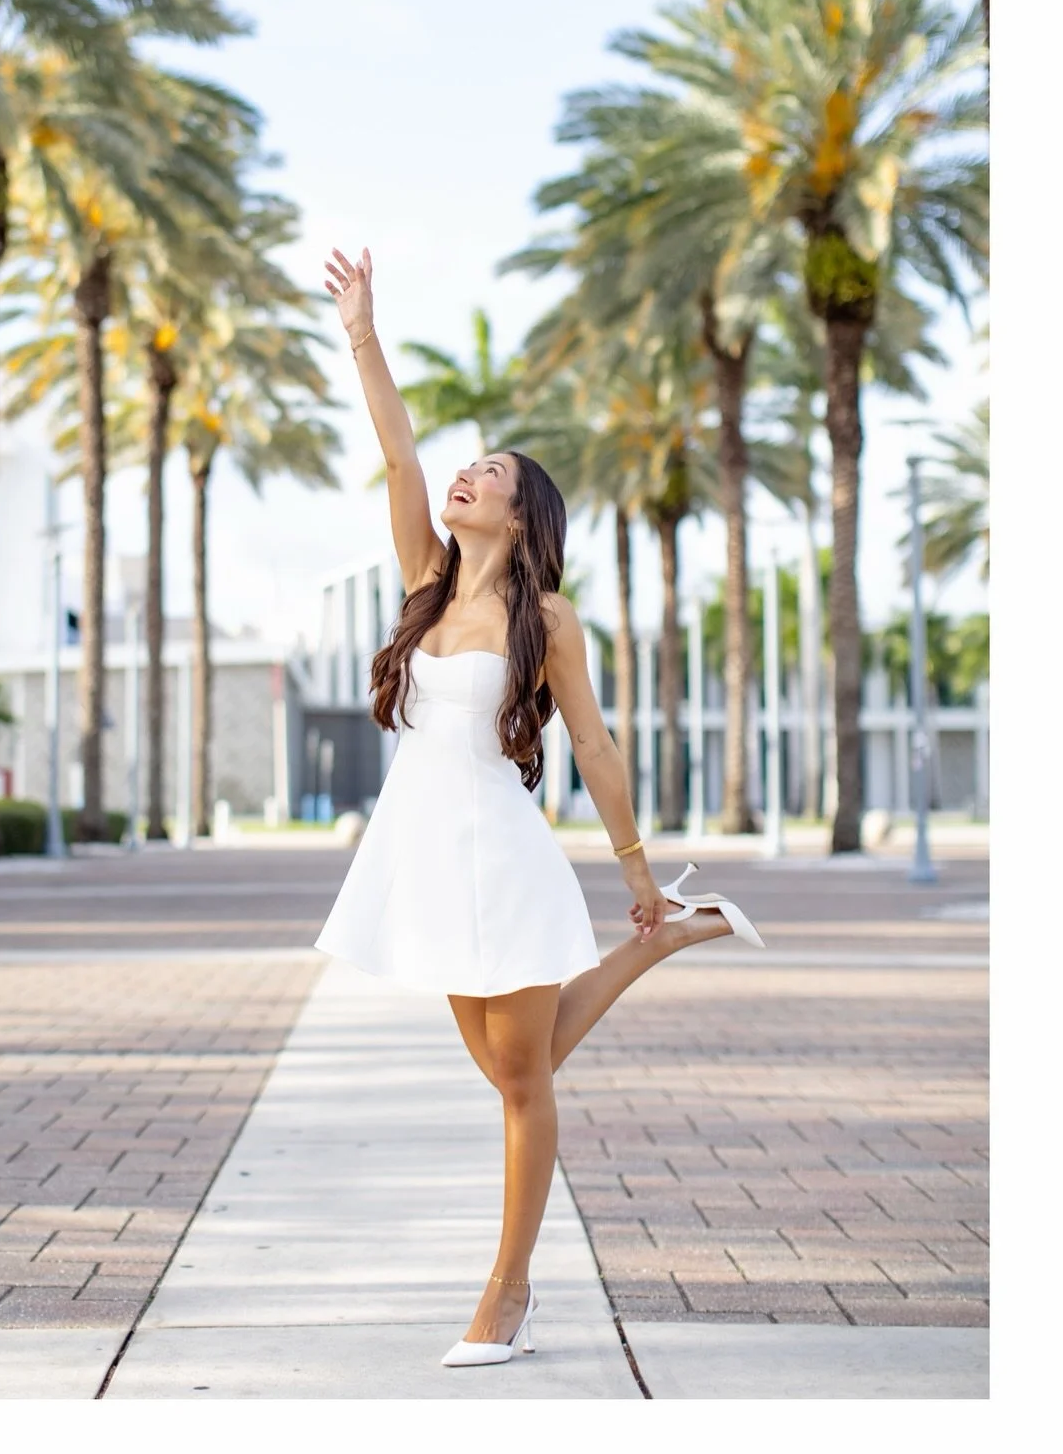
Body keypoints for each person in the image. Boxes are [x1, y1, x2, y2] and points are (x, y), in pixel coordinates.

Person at [313, 247, 766, 1369]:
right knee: (514, 1061)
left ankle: (507, 1293)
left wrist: (631, 869)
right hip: (422, 857)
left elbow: (597, 743)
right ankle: (687, 936)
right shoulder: (423, 576)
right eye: (468, 467)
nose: (466, 476)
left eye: (491, 473)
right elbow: (398, 448)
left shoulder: (547, 620)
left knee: (521, 1079)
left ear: (522, 515)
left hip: (501, 855)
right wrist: (363, 330)